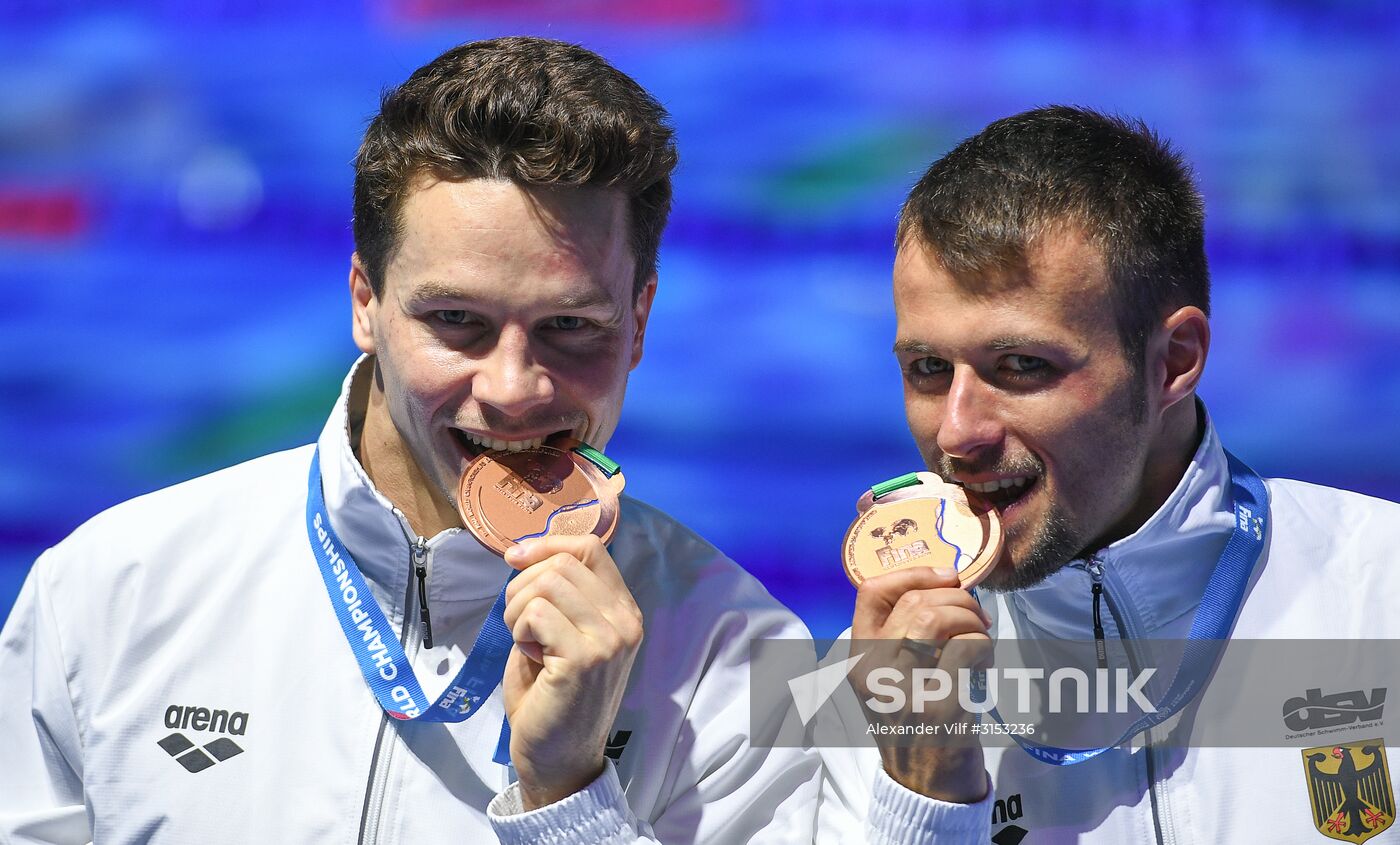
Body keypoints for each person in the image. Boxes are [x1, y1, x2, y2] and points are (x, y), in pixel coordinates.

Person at [0, 37, 821, 844]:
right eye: (457, 321)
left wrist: (572, 800)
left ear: (638, 323)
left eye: (571, 325)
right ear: (366, 301)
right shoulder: (108, 590)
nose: (511, 388)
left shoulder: (744, 653)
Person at [821, 106, 1400, 843]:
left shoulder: (1380, 590)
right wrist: (925, 795)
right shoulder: (871, 687)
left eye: (1022, 365)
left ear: (1174, 361)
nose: (958, 432)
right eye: (929, 368)